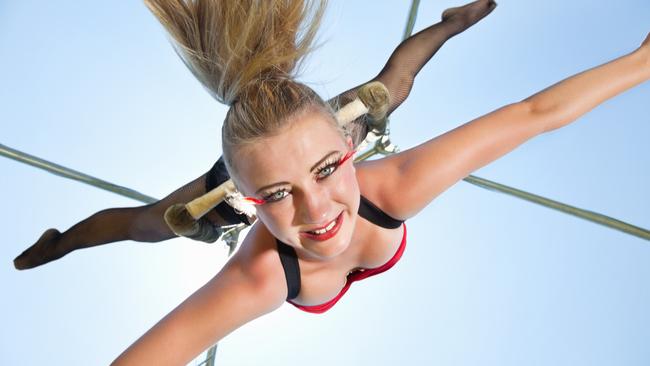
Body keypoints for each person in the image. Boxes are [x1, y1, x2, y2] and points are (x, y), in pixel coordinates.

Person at [108, 0, 650, 364]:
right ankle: (62, 239)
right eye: (277, 194)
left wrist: (643, 61)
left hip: (354, 121)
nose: (315, 209)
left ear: (350, 147)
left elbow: (532, 113)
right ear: (248, 200)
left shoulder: (391, 186)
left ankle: (454, 21)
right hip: (228, 203)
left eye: (325, 170)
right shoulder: (261, 274)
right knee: (149, 223)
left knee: (396, 84)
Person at [12, 0, 498, 271]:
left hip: (260, 170)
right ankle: (62, 244)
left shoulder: (345, 120)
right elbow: (400, 75)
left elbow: (400, 76)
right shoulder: (342, 125)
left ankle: (63, 244)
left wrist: (453, 25)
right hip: (237, 188)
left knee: (150, 224)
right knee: (150, 224)